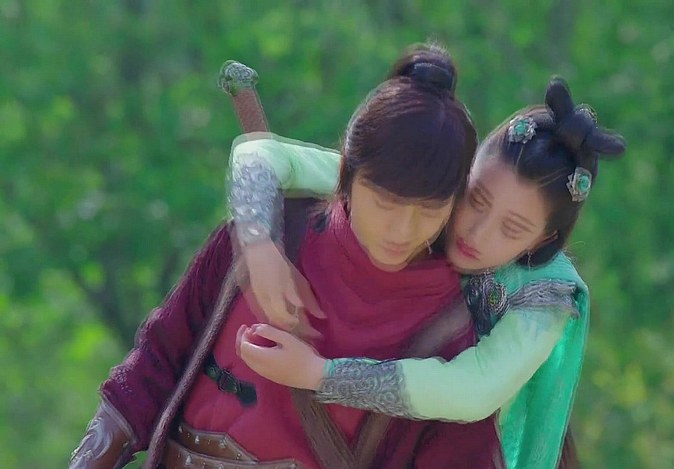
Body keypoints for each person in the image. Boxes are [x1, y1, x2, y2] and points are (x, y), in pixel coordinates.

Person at [69, 43, 505, 469]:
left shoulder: (451, 327)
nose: (402, 231)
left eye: (428, 210)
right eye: (386, 203)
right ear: (347, 173)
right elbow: (156, 360)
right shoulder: (269, 235)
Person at [230, 76, 626, 468]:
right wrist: (259, 245)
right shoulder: (426, 201)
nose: (476, 232)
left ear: (542, 241)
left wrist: (321, 375)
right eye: (476, 199)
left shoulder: (545, 297)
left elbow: (474, 390)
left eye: (512, 229)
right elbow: (260, 155)